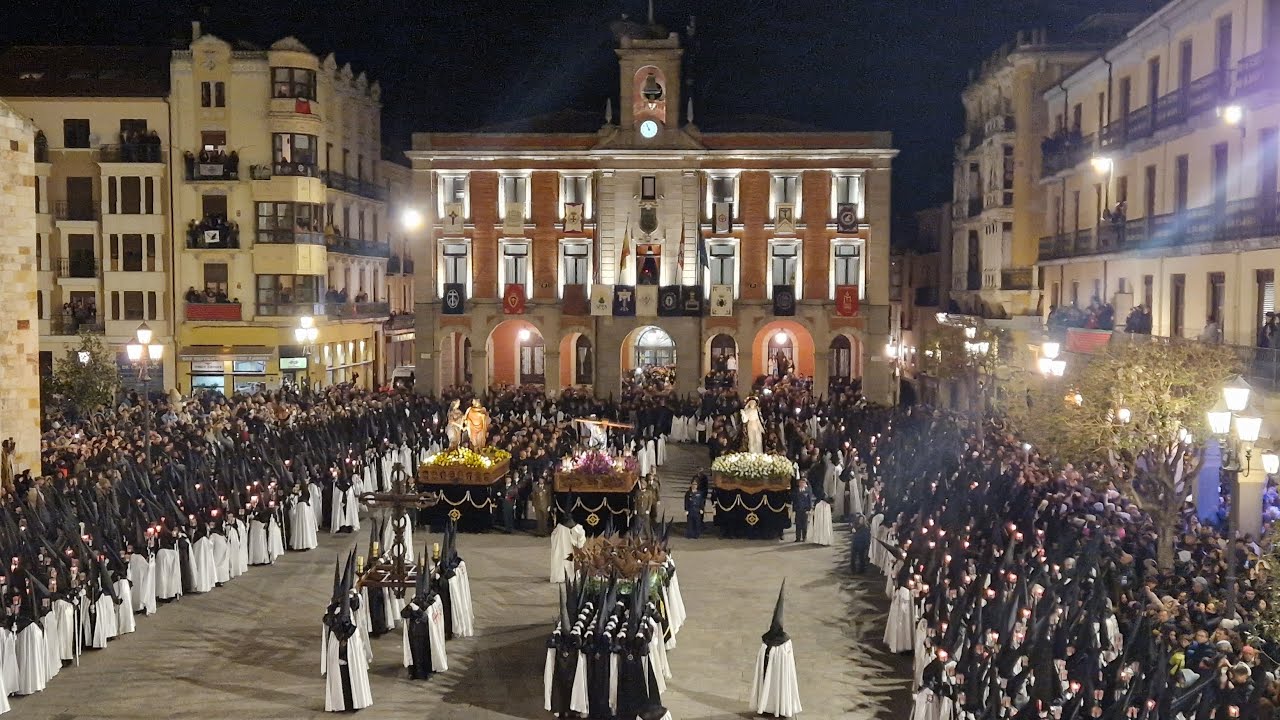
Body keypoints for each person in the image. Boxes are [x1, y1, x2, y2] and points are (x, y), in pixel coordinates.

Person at [750, 581, 801, 718]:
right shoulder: (767, 641)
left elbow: (785, 663)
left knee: (777, 685)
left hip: (775, 667)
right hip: (768, 668)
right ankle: (767, 704)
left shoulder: (784, 643)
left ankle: (777, 705)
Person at [549, 514, 585, 584]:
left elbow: (553, 536)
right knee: (570, 562)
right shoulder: (578, 528)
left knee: (560, 562)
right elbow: (581, 541)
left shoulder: (559, 527)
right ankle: (571, 576)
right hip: (571, 550)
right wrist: (579, 546)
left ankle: (559, 576)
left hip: (561, 549)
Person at [792, 479, 813, 543]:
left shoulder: (807, 491)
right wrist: (794, 509)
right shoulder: (796, 491)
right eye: (800, 483)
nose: (801, 484)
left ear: (805, 484)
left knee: (804, 525)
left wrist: (809, 509)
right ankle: (798, 538)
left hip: (805, 510)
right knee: (798, 524)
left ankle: (804, 537)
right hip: (798, 510)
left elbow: (809, 501)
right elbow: (794, 500)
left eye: (803, 483)